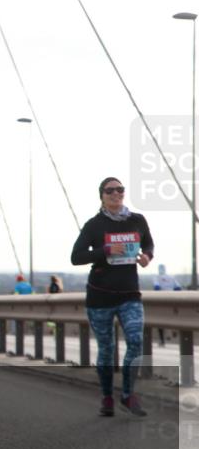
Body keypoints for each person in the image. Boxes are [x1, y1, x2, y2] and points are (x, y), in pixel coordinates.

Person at [71, 177, 154, 418]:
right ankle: (107, 396)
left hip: (130, 293)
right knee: (106, 350)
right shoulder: (93, 225)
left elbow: (148, 243)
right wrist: (105, 251)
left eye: (120, 190)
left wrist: (147, 256)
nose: (116, 194)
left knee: (136, 342)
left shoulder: (137, 220)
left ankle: (127, 395)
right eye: (110, 191)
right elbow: (76, 257)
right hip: (100, 296)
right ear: (102, 196)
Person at [153, 264, 182, 346]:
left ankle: (162, 340)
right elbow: (178, 288)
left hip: (162, 300)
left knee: (160, 321)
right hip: (172, 300)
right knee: (172, 317)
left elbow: (156, 288)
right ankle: (173, 331)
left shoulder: (156, 277)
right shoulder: (171, 277)